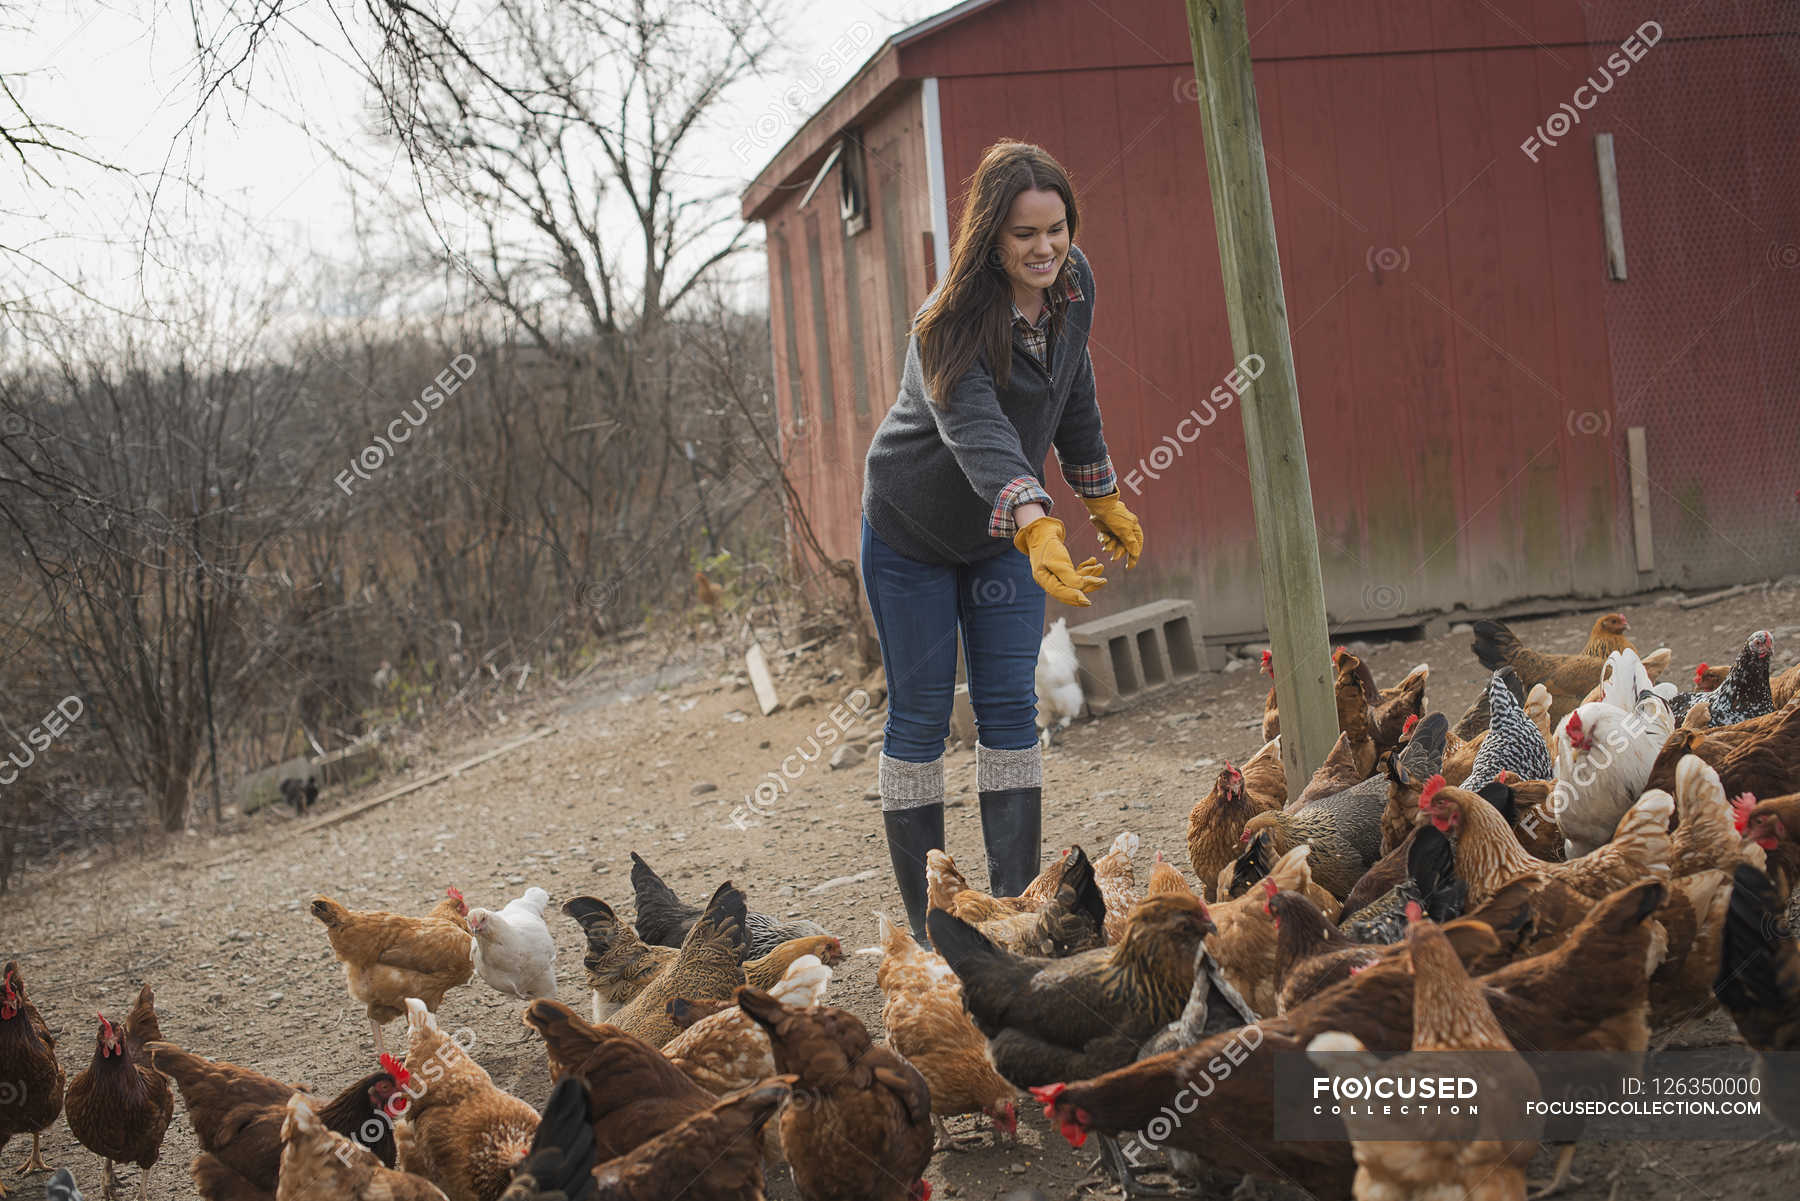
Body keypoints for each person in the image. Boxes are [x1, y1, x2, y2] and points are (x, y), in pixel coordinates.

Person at [860, 140, 1144, 940]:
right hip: (911, 531)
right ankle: (936, 929)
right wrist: (1037, 517)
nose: (1045, 247)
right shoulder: (945, 324)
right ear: (991, 237)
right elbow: (977, 431)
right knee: (918, 720)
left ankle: (1013, 914)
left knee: (1010, 710)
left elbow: (1071, 382)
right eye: (1026, 234)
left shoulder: (1074, 283)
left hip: (1003, 537)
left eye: (1056, 228)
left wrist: (1099, 490)